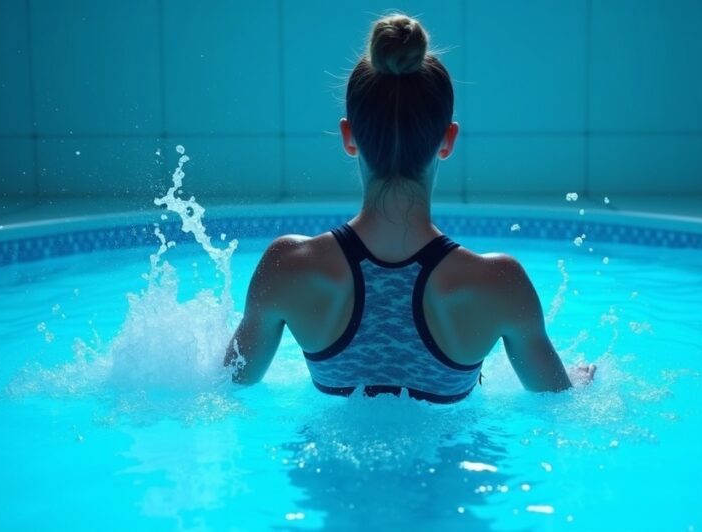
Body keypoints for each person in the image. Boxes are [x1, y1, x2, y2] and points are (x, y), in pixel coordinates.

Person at [224, 13, 595, 403]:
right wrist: (575, 383)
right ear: (448, 140)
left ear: (348, 137)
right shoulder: (499, 284)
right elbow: (558, 403)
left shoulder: (287, 266)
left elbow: (229, 387)